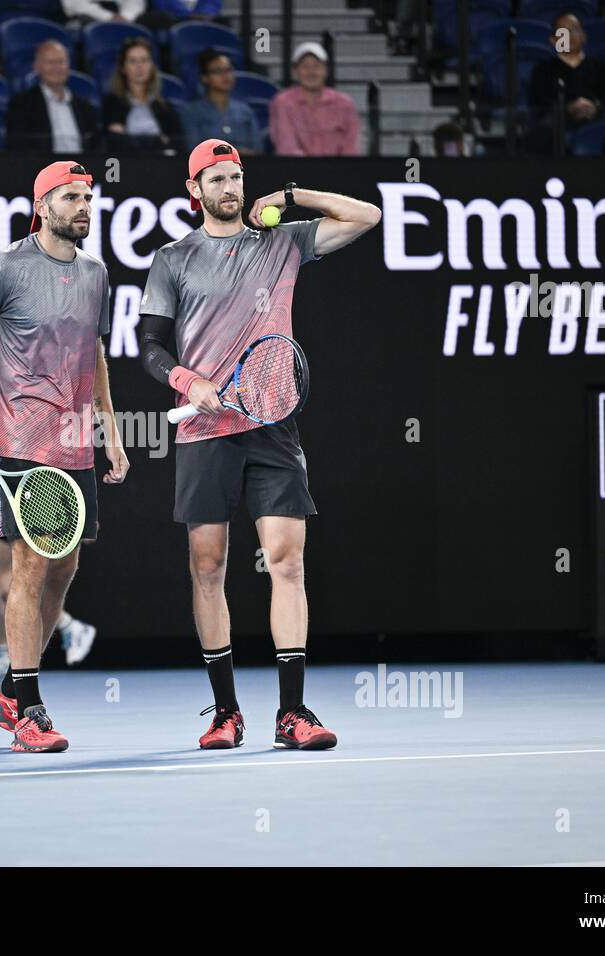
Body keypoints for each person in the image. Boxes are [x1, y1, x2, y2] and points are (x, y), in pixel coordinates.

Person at [138, 139, 380, 751]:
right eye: (217, 179)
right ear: (195, 191)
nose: (231, 188)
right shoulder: (173, 259)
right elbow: (148, 346)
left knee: (288, 561)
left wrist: (295, 196)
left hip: (272, 423)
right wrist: (188, 381)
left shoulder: (282, 243)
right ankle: (225, 712)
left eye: (237, 177)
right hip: (202, 431)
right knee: (208, 566)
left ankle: (292, 713)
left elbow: (367, 217)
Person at [0, 161, 129, 752]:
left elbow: (94, 352)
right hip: (18, 444)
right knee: (27, 567)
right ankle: (29, 711)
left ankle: (9, 692)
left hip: (74, 443)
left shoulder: (98, 274)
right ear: (42, 205)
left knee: (63, 570)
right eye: (70, 197)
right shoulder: (4, 267)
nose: (83, 206)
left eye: (88, 197)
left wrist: (111, 431)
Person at [0, 477, 97, 676]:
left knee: (23, 583)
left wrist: (85, 516)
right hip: (2, 503)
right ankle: (7, 651)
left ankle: (63, 632)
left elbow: (70, 463)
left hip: (36, 499)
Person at [526, 13, 605, 152]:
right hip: (559, 122)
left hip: (596, 118)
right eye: (563, 32)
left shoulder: (601, 66)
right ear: (553, 40)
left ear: (584, 36)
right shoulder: (543, 69)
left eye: (575, 29)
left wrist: (594, 106)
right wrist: (568, 108)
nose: (569, 36)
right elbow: (538, 102)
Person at [5, 40, 102, 152]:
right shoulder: (21, 104)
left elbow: (97, 148)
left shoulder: (86, 108)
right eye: (50, 62)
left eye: (61, 62)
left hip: (82, 167)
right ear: (37, 66)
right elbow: (18, 147)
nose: (56, 68)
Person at [269, 41, 360, 156]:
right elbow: (287, 148)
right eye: (305, 66)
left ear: (326, 70)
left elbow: (351, 148)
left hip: (339, 171)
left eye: (316, 66)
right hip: (298, 170)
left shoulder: (344, 103)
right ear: (295, 72)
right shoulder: (282, 102)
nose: (311, 72)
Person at [101, 37, 184, 153]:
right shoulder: (110, 105)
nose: (139, 66)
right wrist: (158, 141)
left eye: (144, 60)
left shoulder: (165, 108)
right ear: (123, 68)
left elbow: (177, 145)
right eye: (133, 61)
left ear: (152, 66)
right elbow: (109, 144)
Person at [180, 49, 258, 152]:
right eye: (217, 71)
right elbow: (193, 150)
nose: (225, 76)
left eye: (228, 70)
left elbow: (257, 149)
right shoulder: (191, 112)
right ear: (205, 78)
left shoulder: (244, 110)